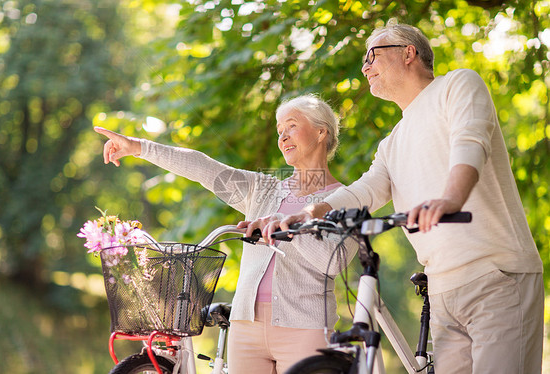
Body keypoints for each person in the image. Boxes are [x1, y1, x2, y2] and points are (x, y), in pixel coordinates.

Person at [265, 22, 544, 373]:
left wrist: (450, 199)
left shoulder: (457, 84)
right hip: (442, 289)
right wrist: (311, 212)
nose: (365, 67)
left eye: (372, 56)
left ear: (408, 53)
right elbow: (365, 190)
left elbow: (470, 142)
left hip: (495, 274)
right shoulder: (392, 142)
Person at [94, 94, 357, 374]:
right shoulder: (263, 189)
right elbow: (204, 168)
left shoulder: (345, 199)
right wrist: (139, 147)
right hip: (246, 329)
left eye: (291, 126)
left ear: (321, 131)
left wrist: (290, 226)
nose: (282, 137)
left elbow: (335, 261)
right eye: (280, 130)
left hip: (306, 327)